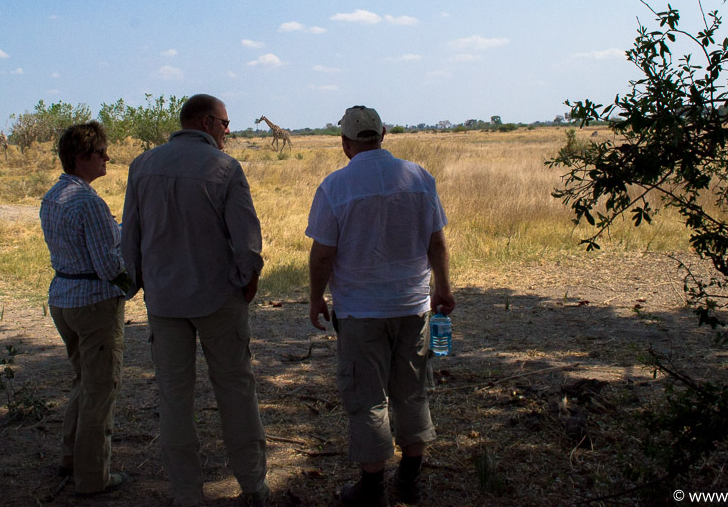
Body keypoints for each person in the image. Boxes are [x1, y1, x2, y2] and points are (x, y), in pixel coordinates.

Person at [121, 94, 270, 507]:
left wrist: (133, 284)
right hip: (218, 297)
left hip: (164, 301)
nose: (228, 131)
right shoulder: (224, 168)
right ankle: (253, 485)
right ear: (206, 122)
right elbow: (246, 239)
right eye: (225, 123)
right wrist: (246, 279)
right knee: (236, 389)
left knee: (173, 396)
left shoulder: (142, 166)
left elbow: (129, 235)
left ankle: (186, 493)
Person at [306, 106, 455, 507]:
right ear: (383, 133)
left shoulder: (335, 186)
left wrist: (316, 296)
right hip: (413, 307)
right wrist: (442, 288)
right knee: (413, 392)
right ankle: (410, 479)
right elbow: (437, 242)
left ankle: (371, 490)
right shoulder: (420, 178)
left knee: (368, 399)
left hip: (360, 312)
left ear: (345, 143)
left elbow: (322, 255)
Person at [41, 121, 132, 497]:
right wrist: (134, 286)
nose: (107, 157)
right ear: (81, 158)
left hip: (63, 298)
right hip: (94, 303)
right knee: (101, 390)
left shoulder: (53, 196)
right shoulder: (89, 203)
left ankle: (70, 458)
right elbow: (109, 266)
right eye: (100, 153)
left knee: (84, 382)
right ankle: (94, 477)